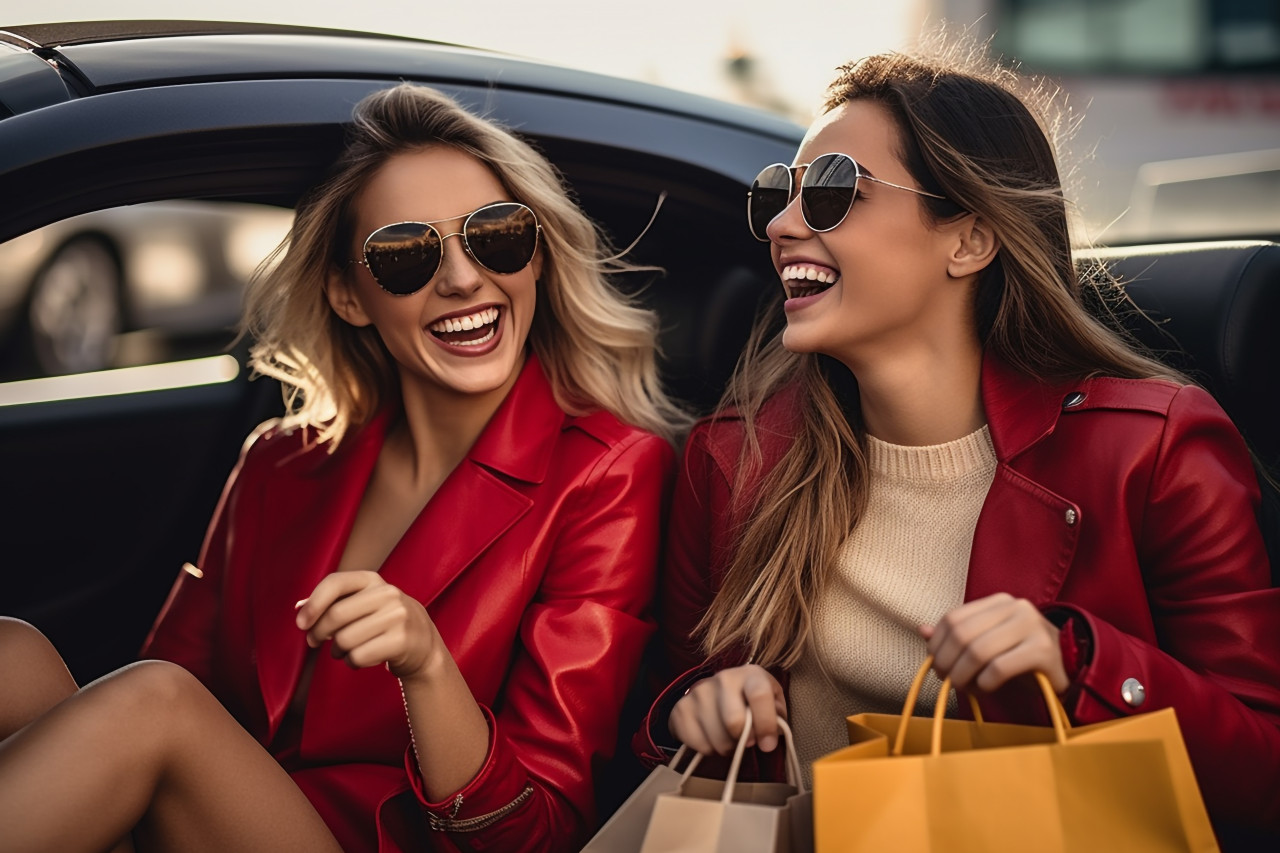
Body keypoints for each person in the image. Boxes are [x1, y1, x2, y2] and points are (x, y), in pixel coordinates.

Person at [0, 82, 689, 853]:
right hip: (209, 825)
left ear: (536, 256)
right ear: (349, 295)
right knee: (15, 652)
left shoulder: (610, 472)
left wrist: (427, 664)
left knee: (152, 703)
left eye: (496, 235)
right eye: (405, 253)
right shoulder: (279, 461)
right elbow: (184, 680)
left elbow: (540, 833)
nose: (463, 279)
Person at [634, 41, 1280, 847]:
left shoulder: (1153, 450)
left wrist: (1079, 660)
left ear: (969, 241)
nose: (783, 223)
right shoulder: (733, 461)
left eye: (833, 192)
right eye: (779, 193)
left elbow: (1265, 777)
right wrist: (695, 708)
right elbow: (662, 720)